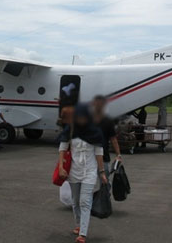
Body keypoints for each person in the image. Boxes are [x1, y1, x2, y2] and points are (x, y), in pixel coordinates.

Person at [58, 104, 107, 243]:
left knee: (85, 202)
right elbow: (62, 148)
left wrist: (101, 171)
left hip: (89, 171)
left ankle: (83, 234)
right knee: (75, 201)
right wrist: (61, 167)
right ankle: (78, 225)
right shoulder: (70, 129)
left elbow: (99, 152)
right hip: (73, 170)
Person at [92, 95, 122, 180]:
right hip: (90, 158)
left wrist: (118, 154)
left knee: (105, 184)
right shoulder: (88, 121)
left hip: (104, 156)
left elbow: (113, 139)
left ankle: (104, 193)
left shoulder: (108, 121)